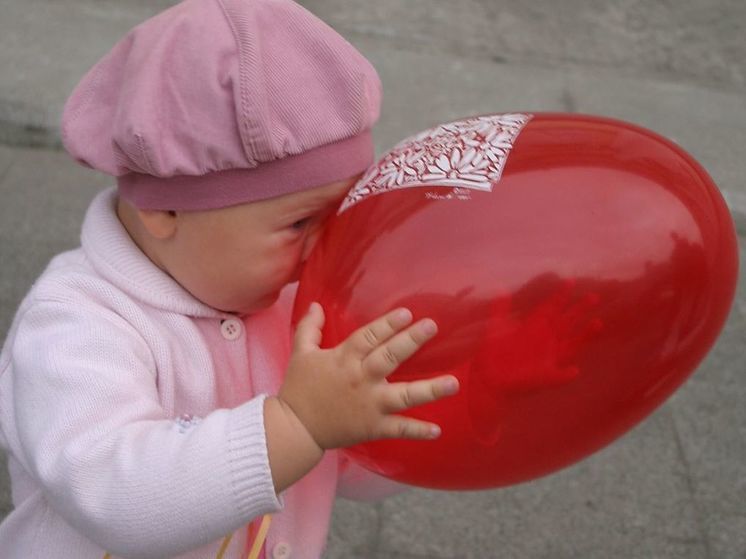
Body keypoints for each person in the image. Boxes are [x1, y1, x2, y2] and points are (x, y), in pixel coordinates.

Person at [0, 0, 460, 557]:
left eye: (339, 218)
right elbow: (115, 497)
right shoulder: (74, 326)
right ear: (165, 211)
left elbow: (352, 462)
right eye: (299, 223)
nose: (328, 248)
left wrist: (412, 401)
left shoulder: (292, 300)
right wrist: (297, 424)